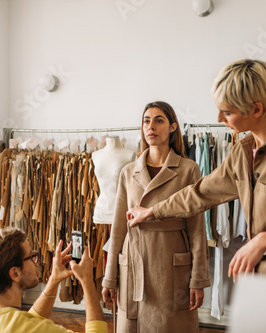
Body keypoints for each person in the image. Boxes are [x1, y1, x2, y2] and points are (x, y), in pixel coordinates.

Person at [127, 59, 266, 279]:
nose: (219, 119)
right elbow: (200, 193)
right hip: (261, 281)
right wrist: (152, 211)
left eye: (227, 113)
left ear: (256, 109)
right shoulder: (242, 152)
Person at [102, 101, 211, 332]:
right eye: (146, 121)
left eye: (159, 120)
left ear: (172, 127)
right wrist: (109, 276)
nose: (151, 126)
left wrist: (198, 280)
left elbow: (197, 230)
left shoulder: (188, 169)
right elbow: (119, 227)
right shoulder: (128, 172)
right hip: (133, 262)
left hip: (171, 267)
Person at [0, 227, 107, 333]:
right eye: (31, 257)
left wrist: (54, 280)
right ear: (15, 273)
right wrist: (87, 282)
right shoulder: (32, 328)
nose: (36, 261)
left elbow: (25, 321)